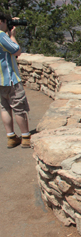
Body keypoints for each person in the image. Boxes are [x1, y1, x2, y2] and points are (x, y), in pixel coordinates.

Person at [0, 12, 31, 149]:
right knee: (19, 109)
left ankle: (11, 137)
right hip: (10, 79)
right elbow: (16, 51)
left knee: (5, 108)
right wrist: (12, 36)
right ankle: (25, 137)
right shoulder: (1, 35)